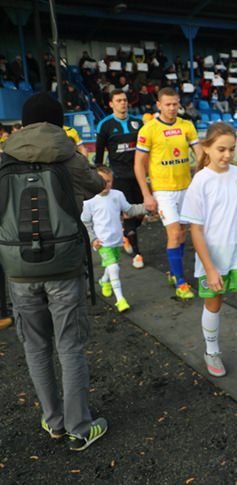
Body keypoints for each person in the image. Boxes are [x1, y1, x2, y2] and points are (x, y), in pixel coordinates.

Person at [3, 92, 107, 451]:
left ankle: (54, 421)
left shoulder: (4, 157)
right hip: (63, 264)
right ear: (57, 121)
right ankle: (80, 427)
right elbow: (98, 186)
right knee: (69, 346)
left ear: (24, 122)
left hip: (18, 267)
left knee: (35, 346)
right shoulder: (69, 156)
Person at [180, 123, 237, 377]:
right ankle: (212, 350)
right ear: (206, 148)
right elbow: (195, 230)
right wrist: (210, 268)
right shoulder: (200, 182)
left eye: (231, 149)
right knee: (213, 305)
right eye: (221, 149)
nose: (227, 155)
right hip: (212, 258)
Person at [134, 86, 203, 300]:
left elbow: (200, 155)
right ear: (159, 105)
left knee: (181, 233)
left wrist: (202, 177)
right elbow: (138, 165)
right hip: (163, 191)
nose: (172, 108)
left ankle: (175, 272)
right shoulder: (149, 129)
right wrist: (147, 194)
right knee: (174, 233)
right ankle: (181, 282)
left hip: (186, 188)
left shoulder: (187, 125)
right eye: (168, 104)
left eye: (175, 104)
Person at [81, 166, 146, 312]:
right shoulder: (89, 201)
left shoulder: (118, 195)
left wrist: (147, 207)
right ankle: (120, 300)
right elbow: (85, 222)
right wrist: (93, 239)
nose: (105, 185)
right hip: (102, 242)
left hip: (116, 240)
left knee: (111, 266)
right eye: (101, 181)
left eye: (109, 181)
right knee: (114, 267)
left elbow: (129, 210)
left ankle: (104, 281)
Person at [95, 89, 146, 269]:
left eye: (124, 100)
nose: (123, 103)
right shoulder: (105, 125)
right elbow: (99, 156)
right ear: (111, 104)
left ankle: (126, 233)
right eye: (118, 100)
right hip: (119, 176)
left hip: (138, 174)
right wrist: (99, 177)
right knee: (129, 211)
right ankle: (137, 253)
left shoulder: (138, 123)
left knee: (142, 211)